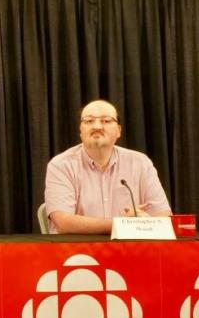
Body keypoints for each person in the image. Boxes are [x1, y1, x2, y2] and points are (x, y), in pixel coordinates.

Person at [44, 99, 171, 234]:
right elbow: (64, 223)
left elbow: (164, 216)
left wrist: (144, 221)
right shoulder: (61, 165)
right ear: (80, 130)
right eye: (88, 121)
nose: (97, 126)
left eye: (106, 121)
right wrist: (124, 224)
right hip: (79, 251)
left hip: (130, 249)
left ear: (118, 130)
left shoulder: (140, 162)